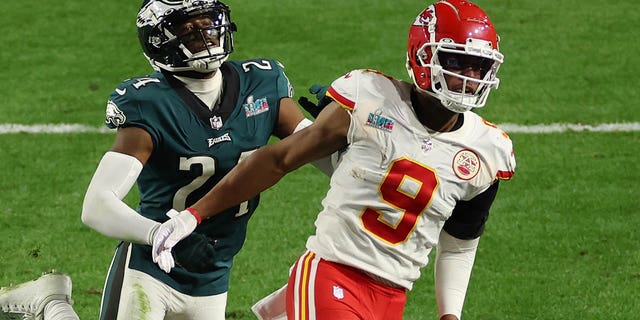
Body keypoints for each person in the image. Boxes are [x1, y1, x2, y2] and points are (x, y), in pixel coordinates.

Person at [151, 1, 516, 319]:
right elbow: (279, 159)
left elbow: (460, 244)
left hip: (393, 296)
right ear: (422, 55)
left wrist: (450, 314)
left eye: (477, 66)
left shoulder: (486, 150)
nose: (467, 77)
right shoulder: (370, 98)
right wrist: (194, 214)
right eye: (456, 61)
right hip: (332, 274)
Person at [0, 0, 333, 319]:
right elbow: (96, 205)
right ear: (161, 42)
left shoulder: (260, 85)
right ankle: (51, 303)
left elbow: (330, 164)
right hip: (152, 265)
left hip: (214, 270)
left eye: (209, 23)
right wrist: (160, 234)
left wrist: (337, 132)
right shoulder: (150, 102)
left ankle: (50, 301)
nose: (205, 36)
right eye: (189, 30)